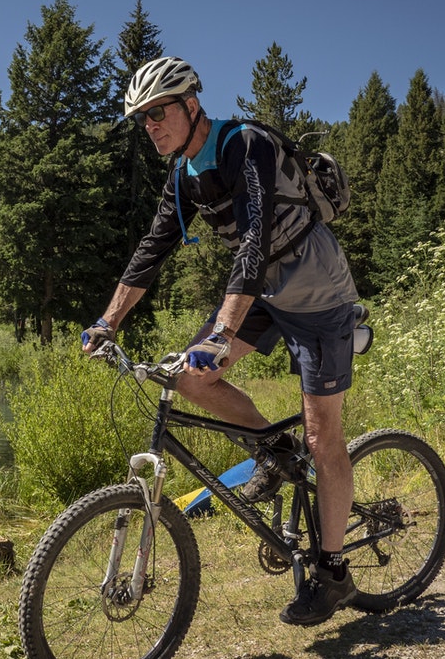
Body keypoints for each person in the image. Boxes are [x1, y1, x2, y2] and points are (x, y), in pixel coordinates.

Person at [81, 56, 360, 626]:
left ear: (190, 106)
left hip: (316, 292)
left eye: (158, 113)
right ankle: (276, 453)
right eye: (142, 120)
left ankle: (333, 572)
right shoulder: (183, 175)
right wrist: (108, 322)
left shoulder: (244, 144)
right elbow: (150, 252)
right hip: (262, 293)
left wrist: (223, 331)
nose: (150, 126)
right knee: (188, 376)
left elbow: (254, 239)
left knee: (321, 432)